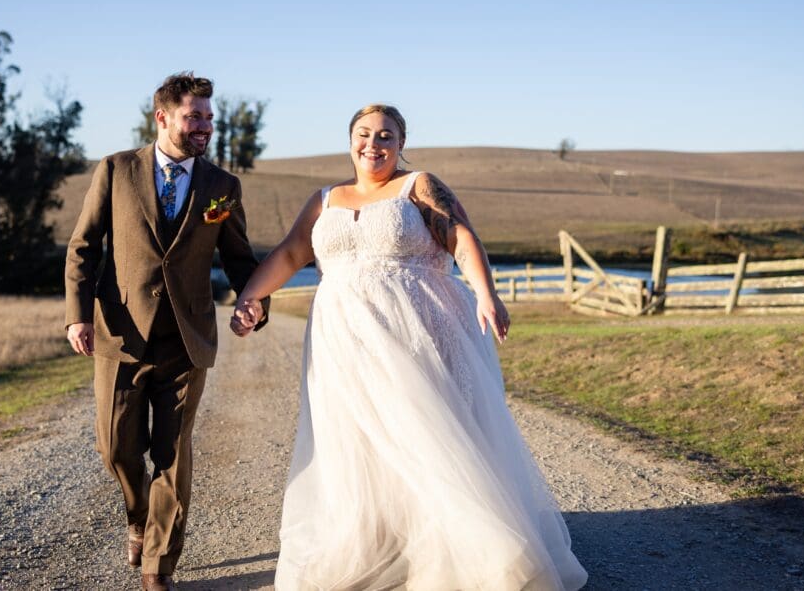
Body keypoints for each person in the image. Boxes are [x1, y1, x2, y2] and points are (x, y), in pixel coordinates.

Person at [230, 104, 587, 590]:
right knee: (359, 441)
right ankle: (384, 541)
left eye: (385, 136)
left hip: (416, 330)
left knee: (426, 432)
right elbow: (292, 252)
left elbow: (460, 236)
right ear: (349, 139)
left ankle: (469, 548)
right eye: (364, 134)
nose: (373, 144)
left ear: (400, 144)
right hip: (343, 341)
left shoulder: (417, 185)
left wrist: (486, 292)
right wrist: (252, 295)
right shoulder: (324, 199)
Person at [65, 72, 267, 591]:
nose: (204, 125)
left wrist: (255, 301)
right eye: (193, 116)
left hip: (187, 337)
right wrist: (77, 315)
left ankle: (159, 564)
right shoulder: (116, 170)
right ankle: (137, 519)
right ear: (163, 117)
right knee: (116, 450)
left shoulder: (222, 187)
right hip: (121, 337)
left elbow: (240, 257)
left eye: (208, 117)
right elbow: (84, 246)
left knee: (173, 455)